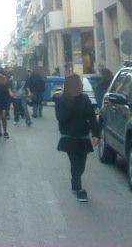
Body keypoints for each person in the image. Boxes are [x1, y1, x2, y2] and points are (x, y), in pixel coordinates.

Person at [55, 74, 100, 202]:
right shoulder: (61, 100)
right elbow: (61, 118)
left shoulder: (85, 99)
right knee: (75, 163)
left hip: (83, 136)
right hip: (69, 137)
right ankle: (79, 189)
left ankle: (75, 182)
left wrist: (96, 134)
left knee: (81, 166)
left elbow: (92, 117)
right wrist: (72, 102)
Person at [0, 72, 12, 139]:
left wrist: (9, 102)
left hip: (4, 102)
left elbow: (8, 92)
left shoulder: (5, 84)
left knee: (3, 117)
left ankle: (5, 131)